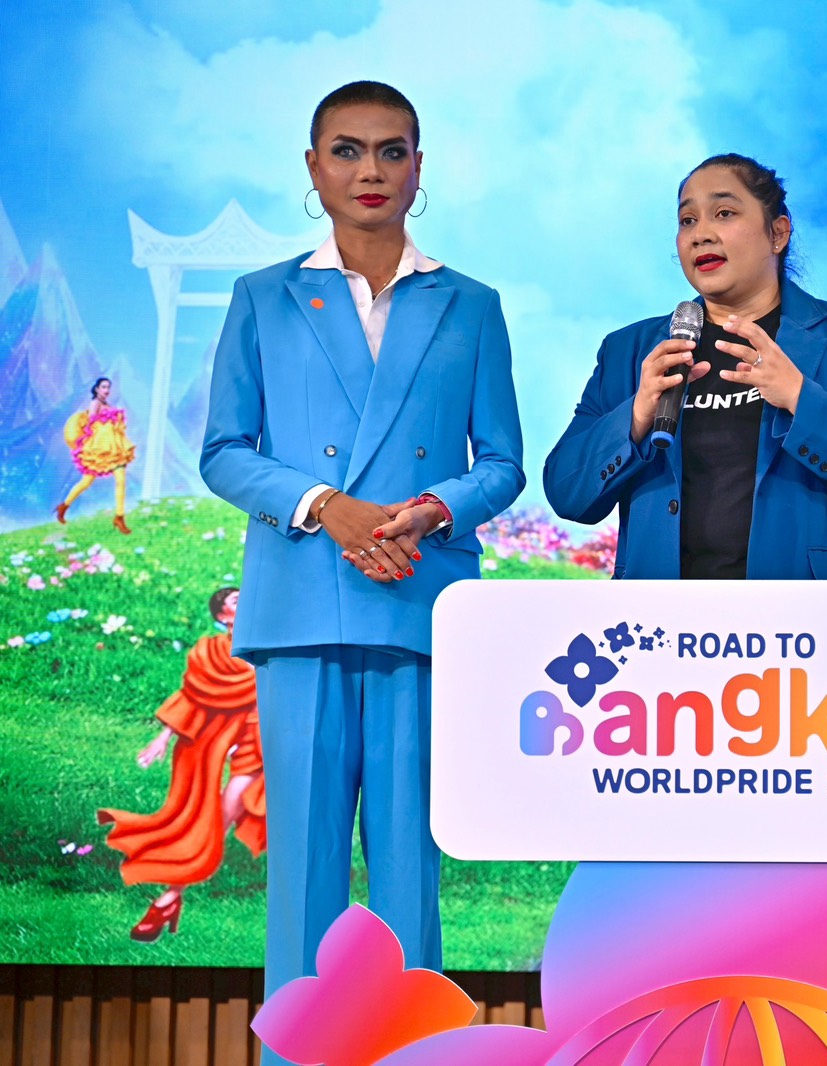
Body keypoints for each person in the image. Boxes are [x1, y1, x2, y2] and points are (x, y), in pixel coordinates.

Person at [199, 80, 524, 1057]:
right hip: (303, 601)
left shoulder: (471, 304)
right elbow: (223, 450)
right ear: (313, 167)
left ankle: (411, 1053)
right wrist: (325, 506)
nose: (369, 170)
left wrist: (432, 509)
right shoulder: (261, 296)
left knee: (408, 875)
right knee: (300, 871)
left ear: (418, 167)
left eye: (391, 150)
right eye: (347, 150)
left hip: (418, 602)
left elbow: (500, 462)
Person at [543, 153, 827, 578]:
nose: (701, 234)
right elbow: (567, 492)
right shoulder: (629, 350)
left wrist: (802, 398)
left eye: (724, 213)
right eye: (687, 220)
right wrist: (635, 416)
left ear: (777, 233)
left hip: (809, 611)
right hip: (661, 611)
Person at [98, 587, 264, 943]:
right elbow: (193, 697)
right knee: (220, 817)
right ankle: (170, 897)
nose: (245, 601)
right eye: (235, 601)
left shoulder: (274, 639)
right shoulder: (212, 652)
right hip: (246, 744)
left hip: (282, 737)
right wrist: (163, 737)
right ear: (222, 616)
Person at [57, 376, 136, 534]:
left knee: (121, 480)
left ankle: (119, 517)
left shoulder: (108, 405)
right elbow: (91, 424)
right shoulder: (95, 404)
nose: (107, 390)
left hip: (115, 448)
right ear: (97, 389)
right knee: (86, 482)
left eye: (108, 387)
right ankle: (64, 506)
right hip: (100, 449)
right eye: (104, 387)